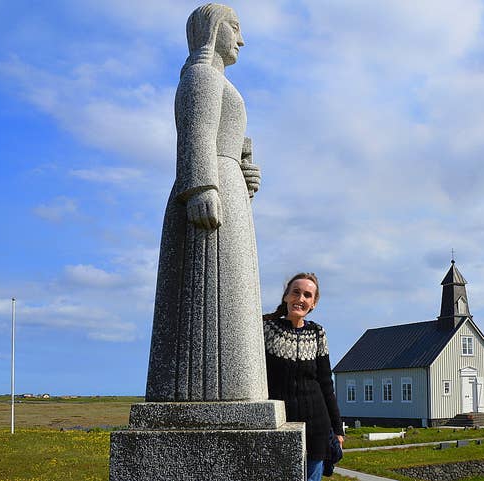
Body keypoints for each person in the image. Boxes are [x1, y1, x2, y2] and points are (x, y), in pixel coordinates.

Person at [145, 3, 265, 402]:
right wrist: (200, 188)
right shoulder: (200, 76)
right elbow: (195, 133)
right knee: (214, 292)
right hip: (209, 192)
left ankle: (240, 388)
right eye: (235, 28)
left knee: (237, 293)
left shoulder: (218, 82)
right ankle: (212, 391)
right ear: (214, 30)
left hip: (227, 185)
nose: (241, 39)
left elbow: (221, 139)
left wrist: (242, 172)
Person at [263, 273, 345, 481]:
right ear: (286, 296)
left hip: (317, 427)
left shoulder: (318, 333)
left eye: (307, 295)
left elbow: (326, 384)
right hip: (279, 425)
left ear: (313, 303)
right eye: (296, 292)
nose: (300, 299)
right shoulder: (266, 329)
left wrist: (337, 428)